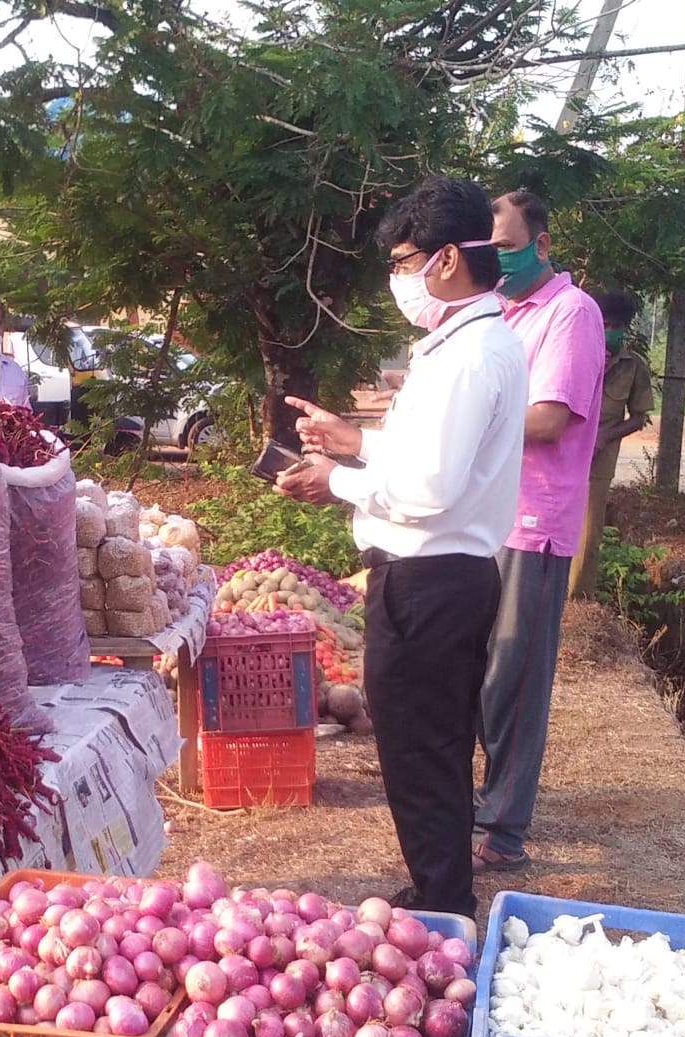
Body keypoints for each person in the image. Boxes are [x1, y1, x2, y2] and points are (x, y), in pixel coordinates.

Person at [274, 176, 527, 918]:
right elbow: (428, 457)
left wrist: (338, 480)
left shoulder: (470, 355)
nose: (397, 280)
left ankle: (443, 905)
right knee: (430, 745)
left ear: (447, 258)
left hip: (429, 579)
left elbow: (431, 488)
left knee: (421, 751)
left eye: (401, 261)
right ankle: (438, 887)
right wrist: (357, 445)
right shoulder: (463, 344)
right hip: (444, 574)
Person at [471, 190, 605, 871]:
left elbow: (549, 418)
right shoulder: (499, 312)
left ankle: (504, 827)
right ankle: (478, 804)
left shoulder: (569, 314)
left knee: (514, 679)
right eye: (486, 248)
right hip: (484, 515)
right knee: (476, 670)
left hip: (533, 520)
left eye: (507, 246)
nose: (497, 259)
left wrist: (466, 421)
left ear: (543, 244)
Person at [568, 291, 654, 599]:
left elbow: (639, 417)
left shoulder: (634, 367)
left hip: (599, 460)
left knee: (589, 534)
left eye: (616, 325)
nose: (609, 331)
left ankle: (577, 598)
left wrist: (605, 436)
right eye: (604, 324)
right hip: (561, 453)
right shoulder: (569, 352)